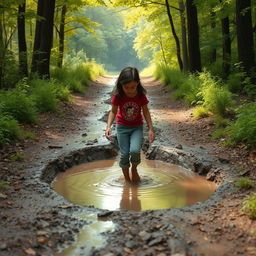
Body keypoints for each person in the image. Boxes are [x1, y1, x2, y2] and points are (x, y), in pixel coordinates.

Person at [105, 67, 155, 183]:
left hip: (136, 128)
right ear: (121, 85)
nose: (130, 90)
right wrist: (108, 126)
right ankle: (127, 181)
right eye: (126, 87)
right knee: (124, 154)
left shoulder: (141, 95)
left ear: (137, 83)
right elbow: (113, 111)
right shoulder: (119, 96)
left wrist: (150, 128)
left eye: (132, 87)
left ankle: (134, 169)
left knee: (135, 151)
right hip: (122, 128)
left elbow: (146, 111)